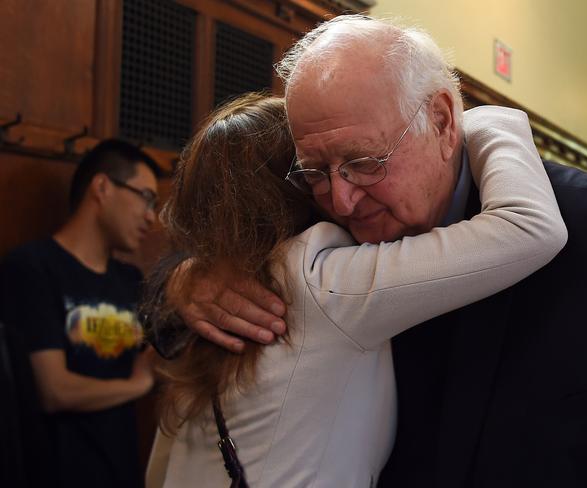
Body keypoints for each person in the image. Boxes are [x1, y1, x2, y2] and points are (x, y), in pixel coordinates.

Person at [156, 15, 587, 488]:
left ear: (440, 120)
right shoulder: (322, 230)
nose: (341, 198)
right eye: (315, 170)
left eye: (364, 162)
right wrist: (182, 282)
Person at [145, 90, 565, 488]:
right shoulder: (319, 277)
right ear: (293, 185)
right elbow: (528, 226)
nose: (342, 191)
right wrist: (481, 118)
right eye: (315, 168)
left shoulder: (198, 317)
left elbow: (157, 474)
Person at [0, 139, 161, 488]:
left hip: (123, 471)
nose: (151, 215)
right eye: (145, 198)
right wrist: (136, 385)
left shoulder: (129, 279)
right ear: (102, 188)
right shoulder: (31, 268)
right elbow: (54, 390)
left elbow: (156, 360)